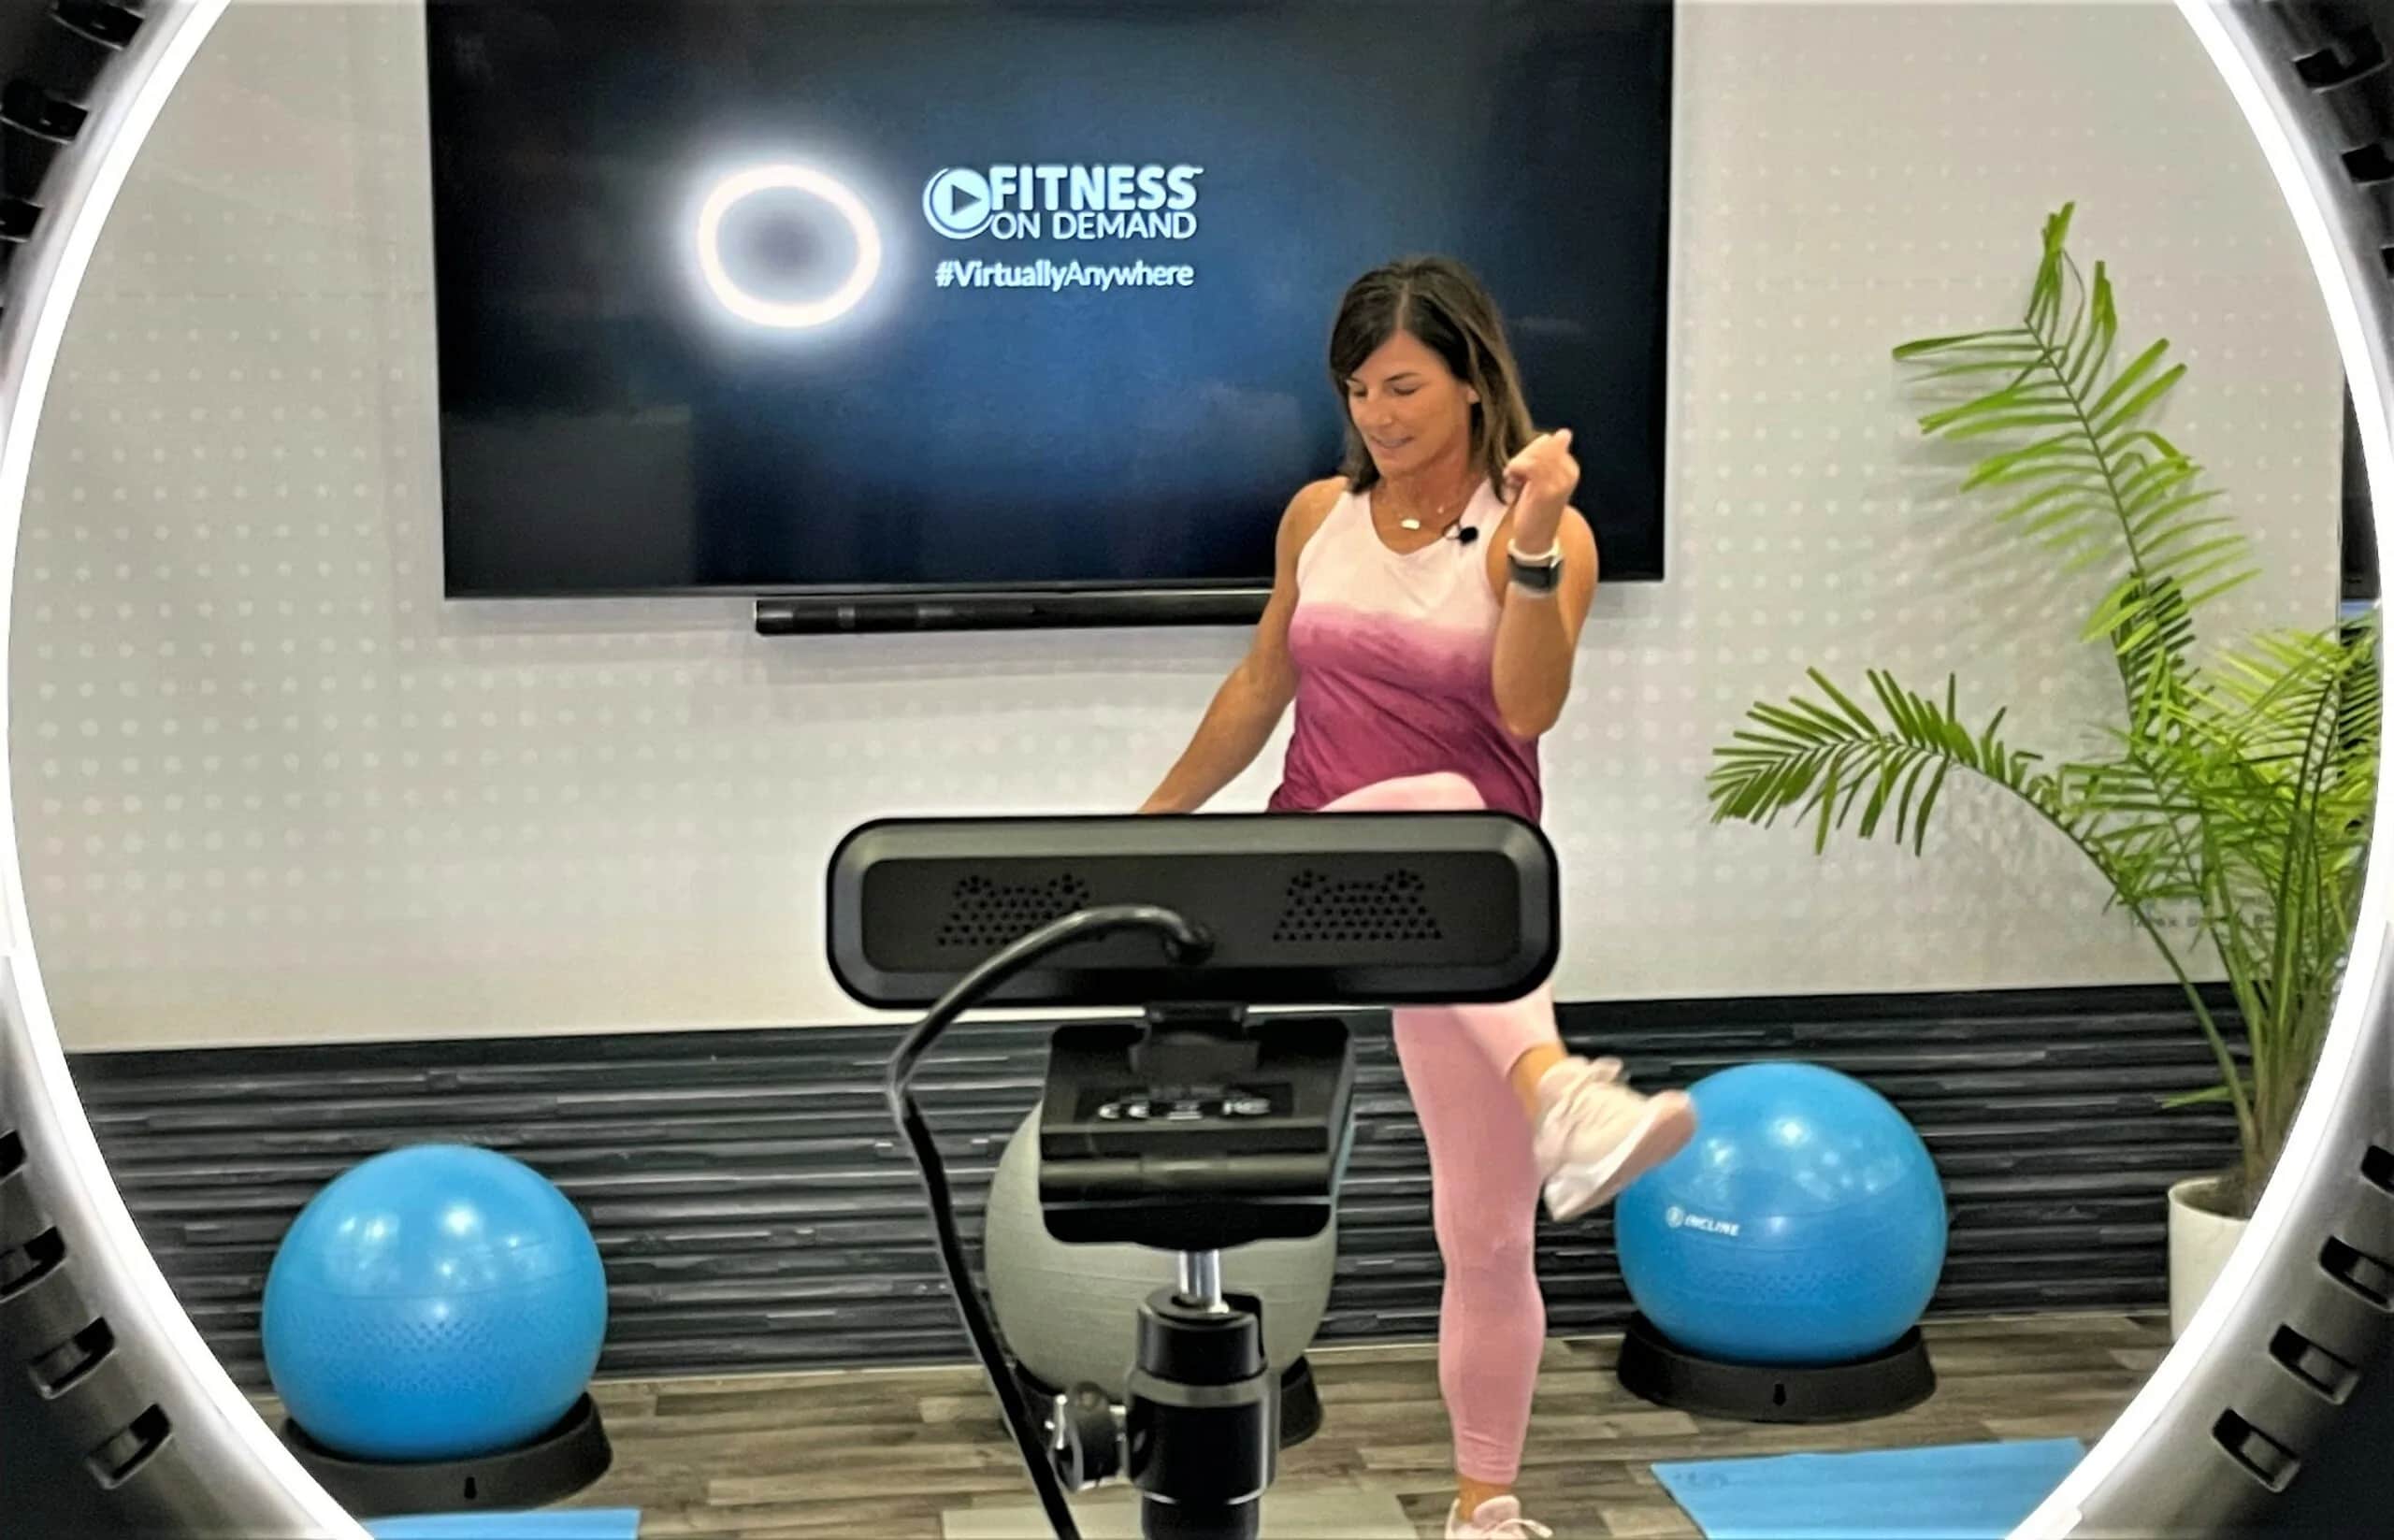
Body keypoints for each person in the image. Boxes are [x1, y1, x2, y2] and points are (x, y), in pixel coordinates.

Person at [1137, 255, 1696, 1539]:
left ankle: (1484, 1506)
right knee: (1439, 811)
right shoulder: (1316, 516)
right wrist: (1153, 827)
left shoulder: (1533, 534)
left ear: (1469, 378)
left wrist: (1542, 545)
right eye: (1358, 391)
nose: (1378, 416)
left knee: (1488, 1234)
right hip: (1310, 878)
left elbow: (1526, 708)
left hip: (1463, 920)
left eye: (1402, 386)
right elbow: (1259, 689)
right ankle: (1563, 1090)